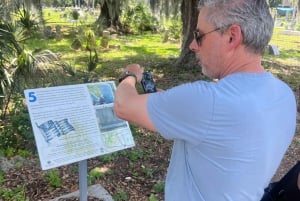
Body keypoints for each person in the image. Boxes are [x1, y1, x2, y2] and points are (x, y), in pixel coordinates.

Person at [113, 0, 297, 200]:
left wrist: (129, 76)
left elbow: (123, 106)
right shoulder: (284, 94)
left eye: (199, 35)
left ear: (232, 37)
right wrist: (170, 102)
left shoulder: (209, 101)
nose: (192, 46)